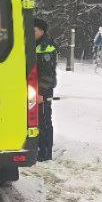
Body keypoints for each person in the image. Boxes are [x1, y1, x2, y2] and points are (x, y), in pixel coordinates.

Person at [34, 17, 57, 161]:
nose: (32, 32)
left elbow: (48, 73)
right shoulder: (36, 44)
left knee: (44, 121)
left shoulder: (46, 47)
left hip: (43, 90)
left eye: (34, 30)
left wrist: (41, 93)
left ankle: (46, 153)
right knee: (37, 120)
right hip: (35, 89)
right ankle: (39, 149)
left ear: (42, 31)